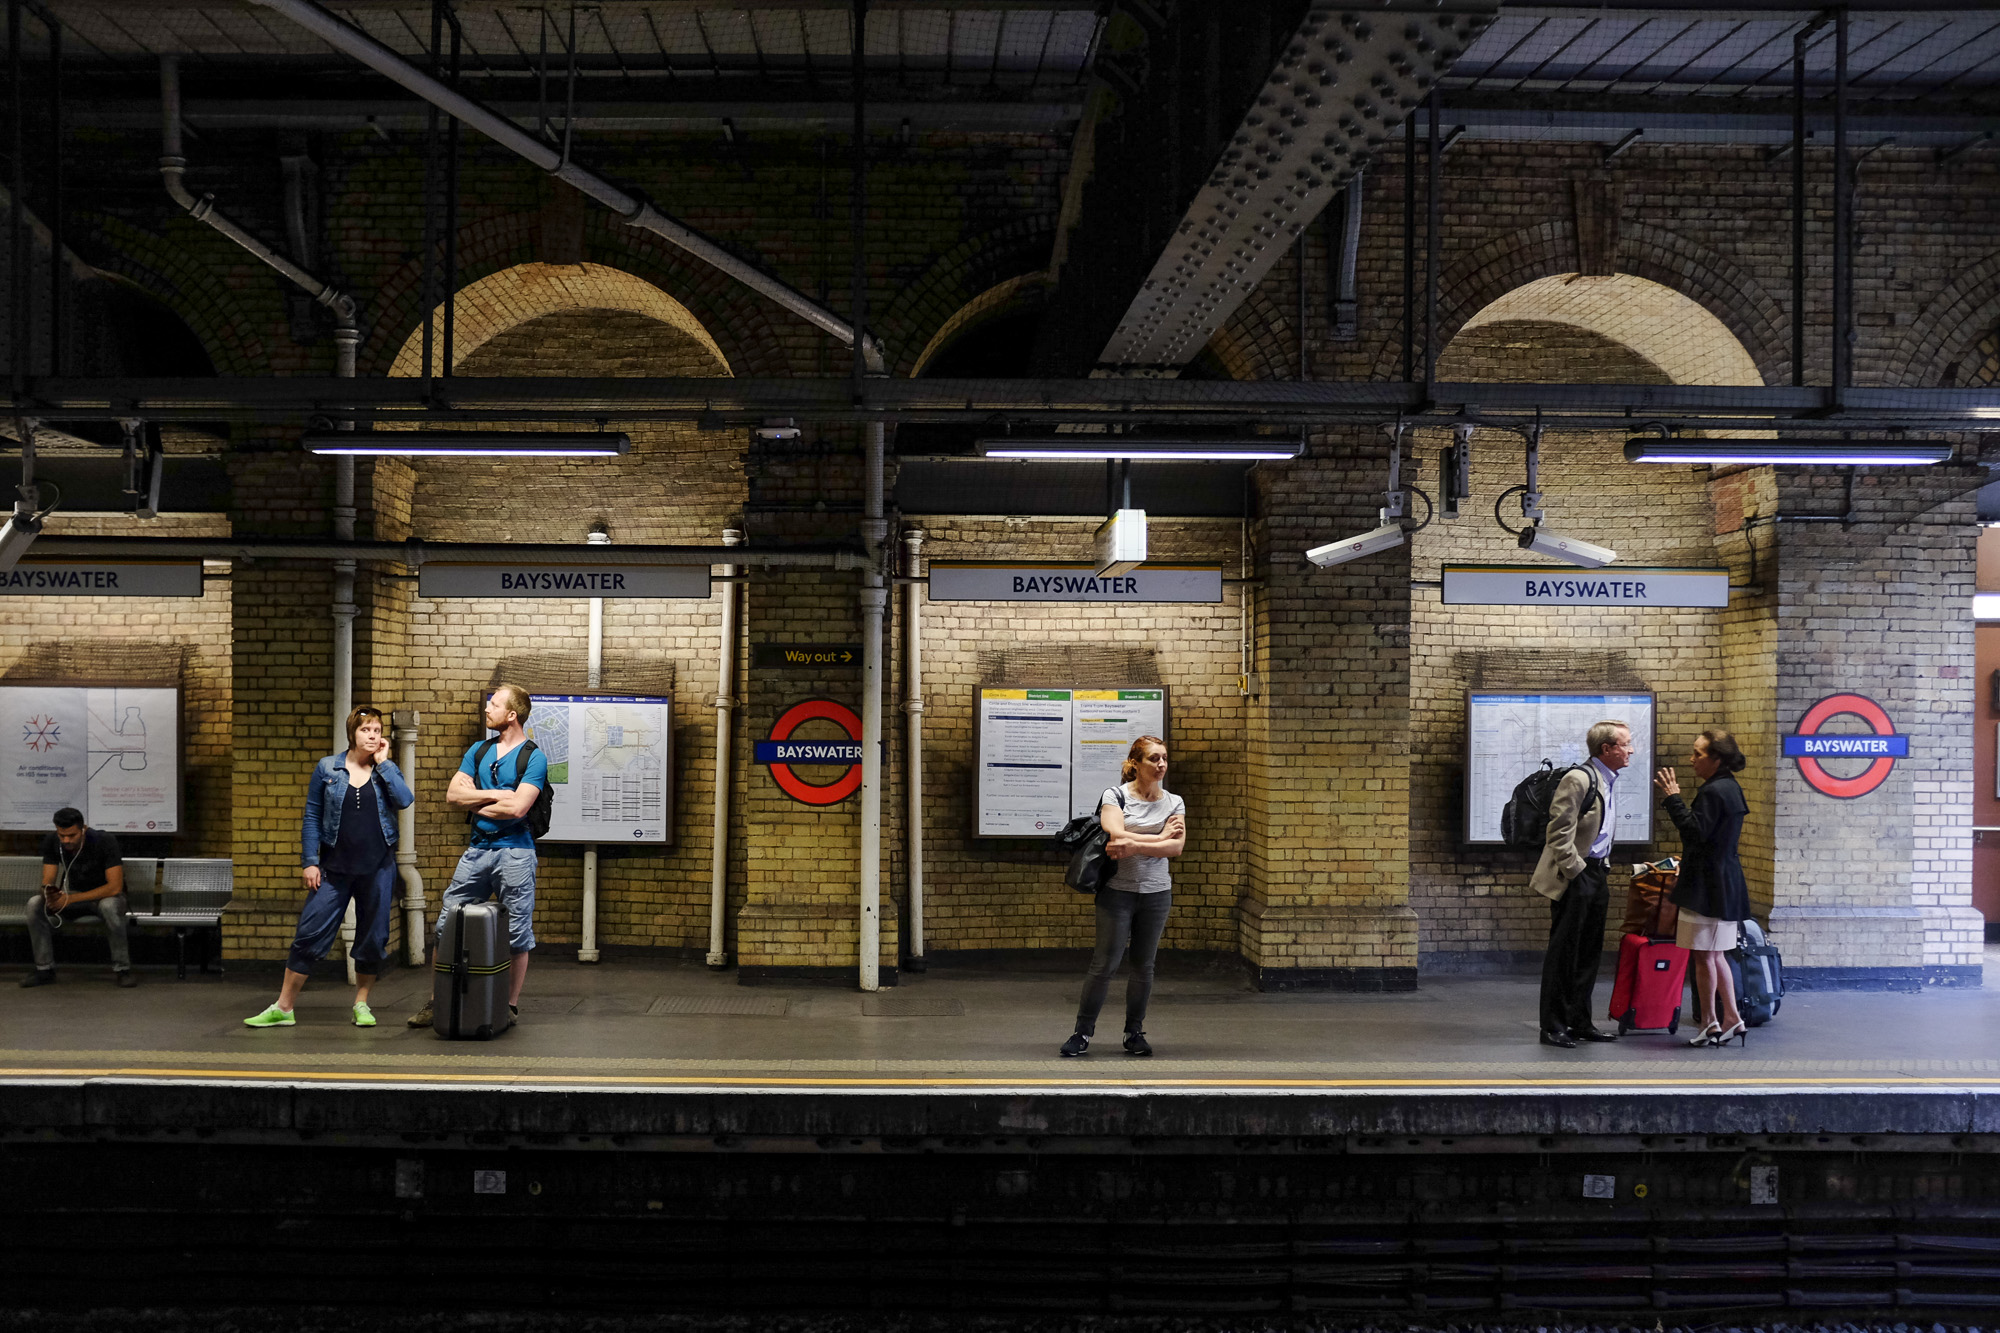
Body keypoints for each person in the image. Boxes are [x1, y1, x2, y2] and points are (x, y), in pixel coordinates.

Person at [244, 706, 414, 1029]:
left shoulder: (385, 770)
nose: (372, 736)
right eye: (366, 730)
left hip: (378, 868)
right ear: (353, 733)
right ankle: (284, 1006)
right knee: (309, 933)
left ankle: (361, 1004)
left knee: (373, 938)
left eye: (377, 731)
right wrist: (310, 861)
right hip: (334, 870)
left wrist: (385, 763)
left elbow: (405, 799)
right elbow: (311, 816)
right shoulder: (328, 768)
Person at [408, 684, 547, 1030]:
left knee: (516, 933)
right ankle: (438, 1001)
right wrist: (497, 796)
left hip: (516, 853)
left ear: (512, 715)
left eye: (495, 704)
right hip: (477, 851)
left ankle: (509, 1007)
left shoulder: (535, 757)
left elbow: (518, 808)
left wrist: (480, 799)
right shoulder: (478, 750)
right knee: (446, 925)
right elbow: (454, 795)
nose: (487, 709)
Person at [1058, 735, 1186, 1059]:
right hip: (1117, 894)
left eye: (1164, 759)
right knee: (1104, 964)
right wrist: (1158, 838)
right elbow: (1115, 835)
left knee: (1144, 966)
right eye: (1154, 759)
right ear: (1136, 764)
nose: (1161, 765)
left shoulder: (1174, 802)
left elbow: (1176, 848)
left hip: (1157, 895)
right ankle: (1082, 1033)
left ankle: (1134, 1032)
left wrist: (1137, 844)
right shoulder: (1115, 796)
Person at [1529, 719, 1634, 1047]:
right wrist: (1577, 872)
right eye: (1625, 744)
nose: (1631, 749)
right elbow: (1558, 831)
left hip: (1598, 872)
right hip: (1575, 874)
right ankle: (1553, 1026)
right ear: (1607, 749)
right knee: (1564, 953)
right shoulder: (1579, 779)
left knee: (1589, 953)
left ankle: (1579, 1021)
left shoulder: (1609, 780)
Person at [1655, 729, 1752, 1048]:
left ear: (1717, 758)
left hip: (1706, 887)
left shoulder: (1712, 792)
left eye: (1698, 754)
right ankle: (1732, 1018)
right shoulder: (1731, 788)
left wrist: (1672, 798)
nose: (1692, 759)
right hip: (1725, 882)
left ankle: (1711, 1020)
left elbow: (1694, 832)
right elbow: (1713, 839)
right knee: (1717, 955)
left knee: (1704, 957)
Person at [20, 807, 135, 988]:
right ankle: (44, 969)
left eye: (71, 835)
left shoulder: (104, 841)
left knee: (109, 907)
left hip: (104, 897)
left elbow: (114, 887)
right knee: (34, 903)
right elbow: (47, 879)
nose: (66, 840)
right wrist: (49, 893)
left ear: (83, 829)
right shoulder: (53, 842)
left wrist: (69, 899)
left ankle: (123, 969)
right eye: (62, 835)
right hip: (73, 896)